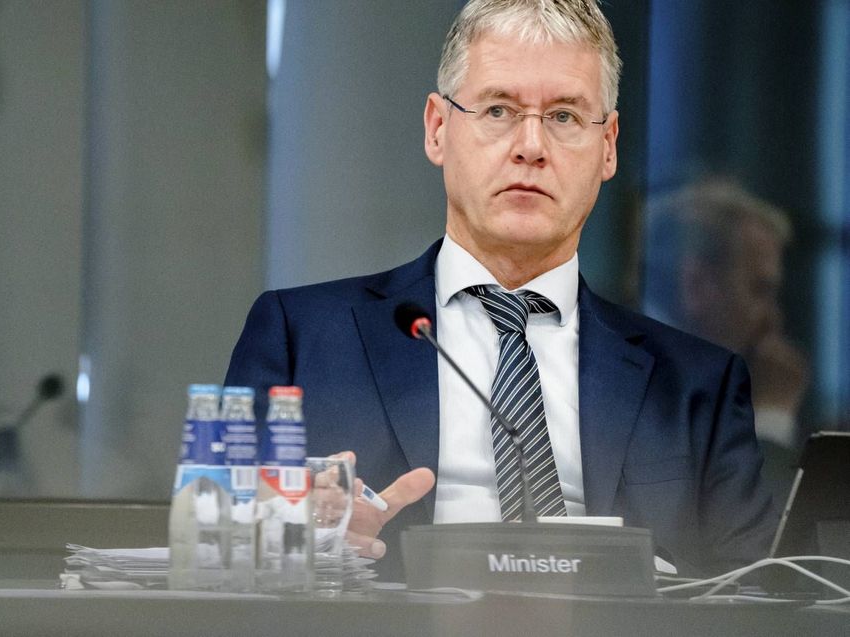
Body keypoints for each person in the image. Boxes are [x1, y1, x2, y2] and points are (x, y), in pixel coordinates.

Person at [226, 0, 775, 579]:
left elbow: (758, 595)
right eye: (497, 109)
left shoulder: (695, 385)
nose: (531, 146)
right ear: (439, 130)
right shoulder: (301, 339)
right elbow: (225, 556)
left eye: (564, 116)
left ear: (608, 146)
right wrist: (300, 536)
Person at [643, 179, 809, 502]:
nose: (773, 319)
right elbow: (763, 544)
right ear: (697, 284)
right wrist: (771, 416)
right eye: (760, 290)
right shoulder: (642, 387)